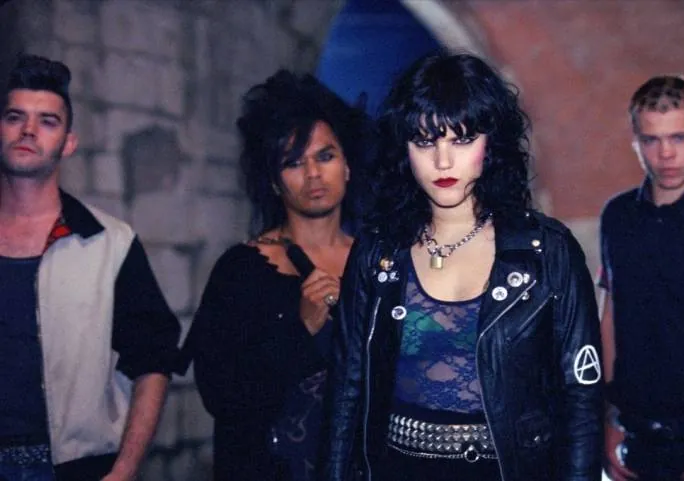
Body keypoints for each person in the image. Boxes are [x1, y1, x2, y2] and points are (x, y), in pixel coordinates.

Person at [322, 52, 603, 481]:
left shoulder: (547, 251)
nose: (443, 161)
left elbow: (581, 399)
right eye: (424, 142)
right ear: (403, 148)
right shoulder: (377, 252)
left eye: (462, 139)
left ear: (491, 143)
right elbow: (346, 388)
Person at [0, 54, 180, 481]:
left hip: (74, 470)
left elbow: (153, 360)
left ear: (68, 143)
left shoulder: (110, 244)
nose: (28, 130)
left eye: (47, 121)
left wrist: (125, 469)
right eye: (15, 117)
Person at [192, 70, 371, 481]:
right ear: (274, 182)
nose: (313, 174)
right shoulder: (242, 271)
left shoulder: (377, 266)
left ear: (347, 166)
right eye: (294, 162)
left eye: (325, 156)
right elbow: (220, 394)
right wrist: (299, 328)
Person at [600, 75, 684, 481]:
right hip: (635, 442)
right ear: (635, 140)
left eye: (679, 138)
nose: (665, 154)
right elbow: (610, 319)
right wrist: (606, 420)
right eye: (651, 139)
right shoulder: (618, 217)